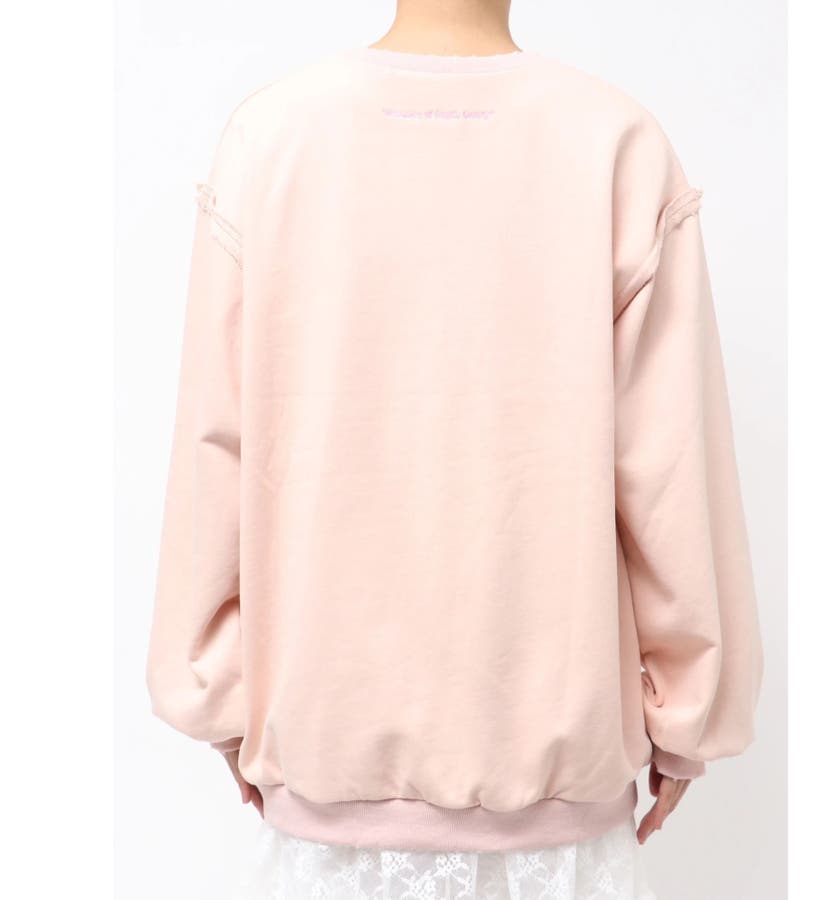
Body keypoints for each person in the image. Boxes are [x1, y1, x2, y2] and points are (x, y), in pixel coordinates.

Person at [145, 1, 764, 896]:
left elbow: (217, 452)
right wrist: (687, 714)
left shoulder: (272, 138)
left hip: (326, 769)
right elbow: (671, 467)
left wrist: (220, 692)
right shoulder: (615, 141)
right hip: (555, 802)